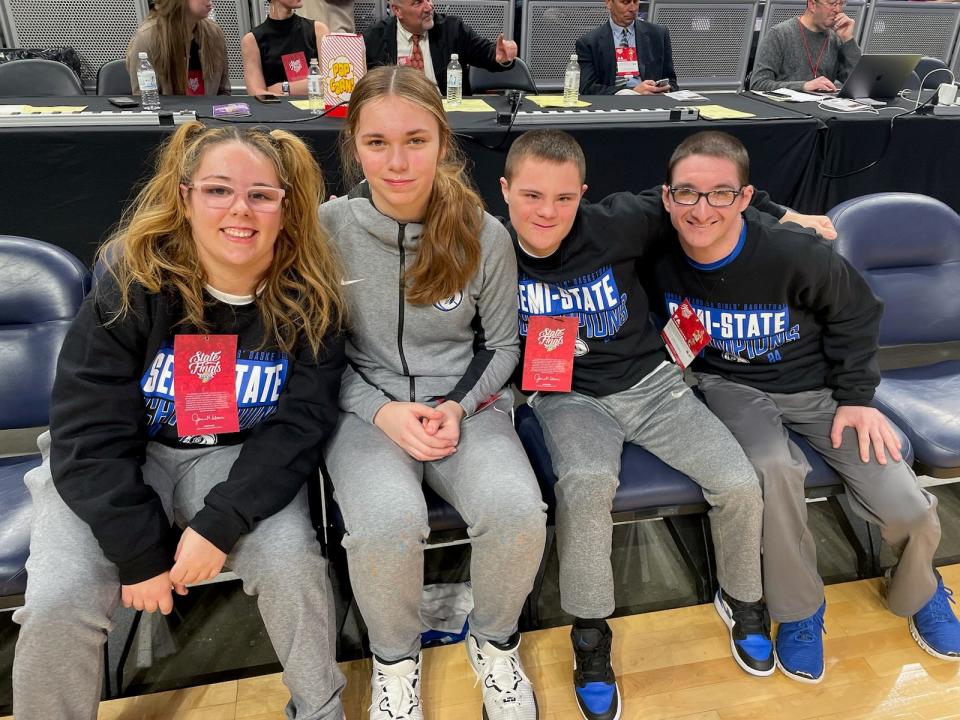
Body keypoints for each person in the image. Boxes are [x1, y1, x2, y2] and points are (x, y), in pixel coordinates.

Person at [12, 122, 348, 719]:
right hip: (120, 461)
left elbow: (298, 428)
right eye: (219, 190)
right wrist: (140, 555)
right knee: (61, 598)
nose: (240, 209)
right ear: (185, 196)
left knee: (294, 564)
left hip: (234, 461)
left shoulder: (309, 299)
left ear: (285, 205)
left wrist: (221, 523)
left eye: (261, 194)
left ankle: (321, 709)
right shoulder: (133, 280)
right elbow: (87, 432)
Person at [499, 129, 807, 720]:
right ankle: (590, 635)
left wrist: (787, 213)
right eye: (533, 196)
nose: (547, 212)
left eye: (564, 199)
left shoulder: (619, 221)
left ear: (583, 195)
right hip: (567, 397)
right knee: (585, 486)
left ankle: (741, 598)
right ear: (506, 191)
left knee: (739, 483)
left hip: (653, 387)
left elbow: (703, 195)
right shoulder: (489, 247)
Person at [647, 130, 960, 682]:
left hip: (819, 389)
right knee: (772, 471)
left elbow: (859, 313)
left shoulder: (793, 253)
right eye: (687, 194)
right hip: (730, 387)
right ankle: (798, 610)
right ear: (667, 198)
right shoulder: (655, 251)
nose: (702, 209)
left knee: (904, 501)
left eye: (721, 193)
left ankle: (923, 588)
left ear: (745, 198)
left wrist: (858, 399)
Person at [320, 65, 546, 720]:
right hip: (365, 407)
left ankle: (495, 644)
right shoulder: (326, 228)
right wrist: (382, 411)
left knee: (516, 511)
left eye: (415, 140)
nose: (397, 162)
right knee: (387, 522)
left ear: (444, 142)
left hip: (463, 407)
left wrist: (456, 406)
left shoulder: (485, 233)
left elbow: (504, 346)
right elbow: (312, 355)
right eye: (377, 142)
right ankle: (395, 664)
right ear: (354, 145)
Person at [362, 0, 518, 95]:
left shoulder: (453, 29)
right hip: (398, 113)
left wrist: (500, 57)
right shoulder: (374, 38)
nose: (429, 7)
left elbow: (487, 54)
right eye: (418, 2)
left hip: (446, 114)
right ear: (397, 10)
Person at [750, 0, 860, 93]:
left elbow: (860, 83)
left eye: (841, 4)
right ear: (812, 4)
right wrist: (803, 86)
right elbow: (758, 85)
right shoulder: (779, 34)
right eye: (832, 3)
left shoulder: (836, 39)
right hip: (787, 111)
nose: (838, 10)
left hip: (822, 111)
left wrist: (848, 40)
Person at [126, 0, 231, 96]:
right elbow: (144, 99)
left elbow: (223, 92)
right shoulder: (147, 38)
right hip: (170, 115)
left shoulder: (214, 33)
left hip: (208, 114)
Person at [575, 0, 678, 95]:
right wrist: (632, 92)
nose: (633, 8)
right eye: (625, 2)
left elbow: (671, 81)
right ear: (609, 3)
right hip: (613, 105)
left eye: (635, 1)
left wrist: (663, 89)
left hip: (652, 102)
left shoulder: (658, 34)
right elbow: (587, 88)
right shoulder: (589, 42)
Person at [242, 0, 330, 97]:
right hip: (275, 110)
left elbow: (329, 83)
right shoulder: (252, 40)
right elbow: (257, 94)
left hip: (315, 108)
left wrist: (284, 88)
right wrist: (310, 85)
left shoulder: (318, 30)